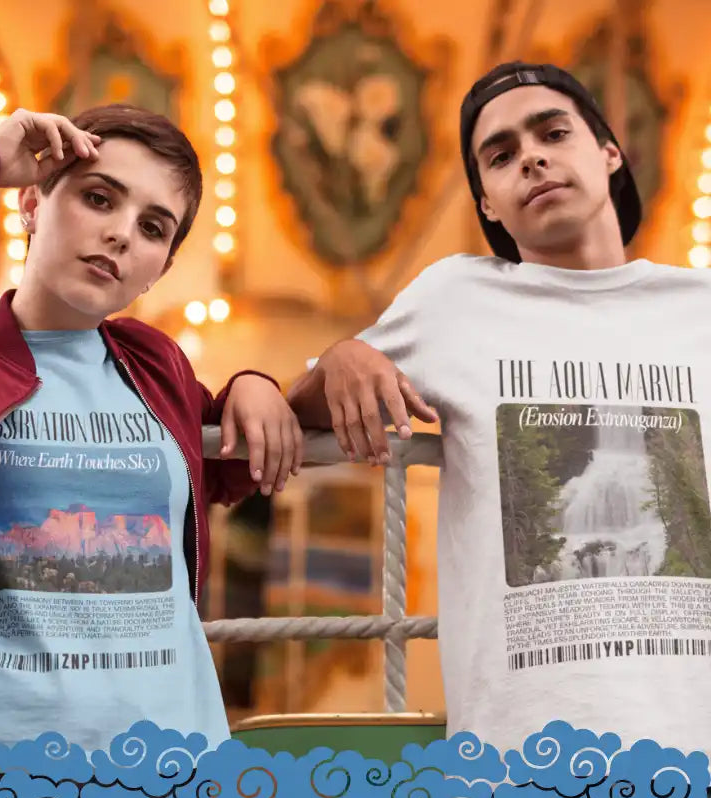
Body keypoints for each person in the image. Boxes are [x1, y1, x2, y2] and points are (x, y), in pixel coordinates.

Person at [288, 61, 711, 755]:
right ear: (486, 201)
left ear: (609, 153)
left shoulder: (699, 308)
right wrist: (337, 357)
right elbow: (294, 411)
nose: (533, 157)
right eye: (502, 155)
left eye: (553, 132)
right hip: (522, 750)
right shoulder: (454, 299)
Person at [0, 106, 303, 760]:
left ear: (161, 267)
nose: (121, 234)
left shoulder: (157, 367)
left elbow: (235, 454)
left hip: (172, 759)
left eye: (153, 227)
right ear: (32, 202)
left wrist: (258, 384)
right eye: (99, 198)